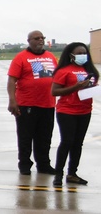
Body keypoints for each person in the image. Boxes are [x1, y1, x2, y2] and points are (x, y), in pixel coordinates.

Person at [7, 30, 59, 175]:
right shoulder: (21, 58)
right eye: (37, 38)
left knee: (44, 138)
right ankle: (24, 164)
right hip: (27, 105)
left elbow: (57, 77)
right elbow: (12, 80)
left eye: (42, 38)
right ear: (29, 40)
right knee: (25, 137)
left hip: (47, 104)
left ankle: (43, 164)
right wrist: (12, 100)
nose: (40, 40)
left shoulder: (50, 57)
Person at [50, 42, 97, 187]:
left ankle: (72, 173)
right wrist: (75, 87)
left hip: (85, 111)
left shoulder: (90, 70)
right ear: (71, 55)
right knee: (67, 142)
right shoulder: (63, 71)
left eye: (84, 53)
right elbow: (55, 91)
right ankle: (58, 174)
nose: (83, 56)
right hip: (67, 111)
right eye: (79, 53)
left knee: (78, 143)